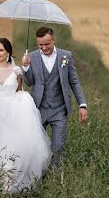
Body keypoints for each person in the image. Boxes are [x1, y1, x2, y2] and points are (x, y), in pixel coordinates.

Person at [0, 37, 51, 193]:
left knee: (12, 148)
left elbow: (19, 91)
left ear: (8, 52)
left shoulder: (16, 71)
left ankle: (9, 186)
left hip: (12, 114)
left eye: (1, 50)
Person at [21, 26, 88, 169]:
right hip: (39, 108)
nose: (44, 48)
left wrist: (82, 105)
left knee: (58, 146)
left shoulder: (66, 56)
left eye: (47, 44)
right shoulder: (31, 57)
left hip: (59, 109)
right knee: (37, 145)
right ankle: (38, 175)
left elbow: (74, 81)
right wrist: (25, 68)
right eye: (40, 45)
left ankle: (56, 177)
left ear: (54, 40)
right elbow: (29, 82)